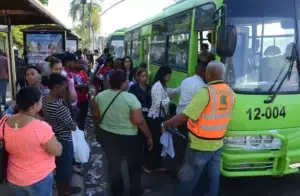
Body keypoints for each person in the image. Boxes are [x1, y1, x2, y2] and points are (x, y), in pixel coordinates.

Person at [161, 61, 236, 196]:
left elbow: (185, 116)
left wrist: (166, 124)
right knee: (214, 176)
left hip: (200, 145)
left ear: (207, 74)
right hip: (218, 143)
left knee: (188, 177)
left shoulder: (205, 93)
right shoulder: (230, 92)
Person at [92, 69, 153, 196]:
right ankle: (135, 191)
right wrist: (149, 136)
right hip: (128, 138)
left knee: (114, 166)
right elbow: (138, 121)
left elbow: (96, 116)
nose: (127, 83)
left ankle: (117, 191)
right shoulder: (130, 98)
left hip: (108, 135)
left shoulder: (100, 96)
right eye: (126, 80)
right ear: (122, 83)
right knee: (134, 166)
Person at [1, 86, 62, 196]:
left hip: (14, 177)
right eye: (40, 101)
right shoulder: (41, 127)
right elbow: (57, 151)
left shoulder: (4, 121)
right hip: (39, 178)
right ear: (35, 106)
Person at [42, 73, 81, 196]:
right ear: (57, 87)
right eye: (65, 88)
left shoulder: (44, 100)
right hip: (64, 140)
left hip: (53, 137)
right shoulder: (59, 107)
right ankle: (64, 190)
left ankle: (63, 188)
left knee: (59, 167)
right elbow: (72, 126)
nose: (66, 90)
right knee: (65, 168)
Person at [146, 65, 178, 171]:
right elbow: (158, 104)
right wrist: (169, 99)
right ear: (163, 74)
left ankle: (156, 165)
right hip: (155, 119)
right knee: (155, 143)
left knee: (158, 143)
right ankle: (149, 166)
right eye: (168, 74)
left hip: (159, 118)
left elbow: (170, 91)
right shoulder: (157, 86)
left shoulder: (162, 85)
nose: (169, 76)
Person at [128, 68, 152, 172]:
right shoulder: (133, 88)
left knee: (147, 140)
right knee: (137, 142)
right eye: (142, 76)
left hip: (148, 117)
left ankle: (145, 163)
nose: (144, 78)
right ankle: (136, 163)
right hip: (137, 118)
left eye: (145, 76)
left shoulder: (149, 88)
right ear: (137, 77)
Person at [73, 56, 89, 131]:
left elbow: (87, 84)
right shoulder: (71, 74)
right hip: (76, 101)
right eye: (79, 63)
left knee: (83, 118)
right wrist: (81, 86)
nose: (81, 65)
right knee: (75, 119)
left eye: (82, 63)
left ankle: (81, 133)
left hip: (84, 99)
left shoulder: (83, 73)